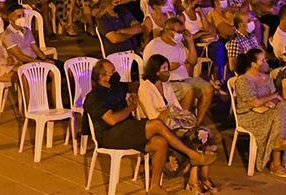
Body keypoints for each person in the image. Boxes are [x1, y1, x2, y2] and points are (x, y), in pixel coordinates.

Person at [85, 59, 215, 194]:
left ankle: (155, 187)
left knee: (161, 142)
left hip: (127, 130)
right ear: (102, 77)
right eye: (112, 72)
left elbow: (135, 85)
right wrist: (131, 107)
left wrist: (150, 80)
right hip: (110, 135)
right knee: (157, 124)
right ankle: (191, 154)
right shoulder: (94, 97)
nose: (116, 74)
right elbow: (112, 120)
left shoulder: (116, 87)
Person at [138, 54, 215, 193]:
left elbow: (177, 107)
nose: (167, 71)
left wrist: (176, 114)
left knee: (204, 133)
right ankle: (196, 180)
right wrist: (168, 112)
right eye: (163, 68)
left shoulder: (166, 85)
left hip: (174, 123)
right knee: (196, 137)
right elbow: (153, 116)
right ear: (155, 71)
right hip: (158, 129)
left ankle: (201, 178)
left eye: (167, 68)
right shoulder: (145, 88)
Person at [232, 48, 286, 178]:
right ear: (254, 64)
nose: (266, 62)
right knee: (279, 119)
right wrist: (269, 99)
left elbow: (277, 98)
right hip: (249, 116)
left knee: (284, 107)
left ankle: (276, 157)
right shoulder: (244, 80)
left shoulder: (267, 78)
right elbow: (254, 103)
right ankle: (276, 162)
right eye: (263, 60)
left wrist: (270, 102)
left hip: (268, 112)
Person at [143, 17, 213, 126]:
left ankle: (196, 124)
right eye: (178, 32)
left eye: (182, 31)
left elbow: (193, 61)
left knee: (208, 88)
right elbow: (150, 68)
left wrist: (190, 42)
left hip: (185, 78)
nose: (181, 34)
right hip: (168, 82)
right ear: (167, 30)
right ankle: (182, 124)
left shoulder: (179, 44)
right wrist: (168, 66)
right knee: (188, 89)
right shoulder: (154, 45)